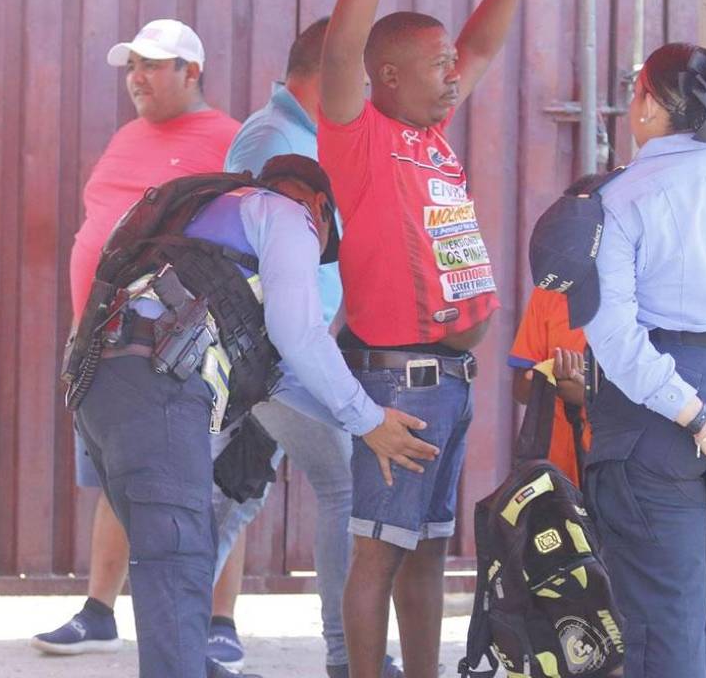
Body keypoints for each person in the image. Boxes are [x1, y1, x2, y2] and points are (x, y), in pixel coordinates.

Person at [66, 154, 436, 678]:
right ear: (321, 208)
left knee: (174, 556)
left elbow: (280, 377)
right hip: (157, 388)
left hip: (102, 386)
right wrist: (370, 421)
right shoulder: (288, 215)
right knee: (178, 560)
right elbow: (300, 336)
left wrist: (366, 422)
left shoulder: (212, 218)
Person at [316, 0, 551, 676]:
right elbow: (342, 49)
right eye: (438, 64)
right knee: (378, 552)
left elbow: (482, 42)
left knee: (426, 553)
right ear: (387, 77)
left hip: (448, 380)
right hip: (398, 384)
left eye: (453, 64)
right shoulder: (361, 139)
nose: (456, 73)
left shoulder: (429, 133)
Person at [537, 42, 706, 678]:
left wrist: (698, 418)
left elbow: (614, 337)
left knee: (664, 615)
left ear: (646, 103)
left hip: (658, 419)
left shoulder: (616, 198)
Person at [33, 18, 247, 665]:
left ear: (191, 72)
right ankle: (100, 612)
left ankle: (218, 621)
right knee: (117, 478)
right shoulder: (128, 137)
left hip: (179, 355)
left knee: (204, 486)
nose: (137, 78)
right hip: (102, 344)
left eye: (152, 65)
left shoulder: (230, 139)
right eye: (132, 67)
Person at [217, 18, 400, 678]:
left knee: (231, 497)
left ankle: (183, 642)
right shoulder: (273, 139)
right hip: (274, 354)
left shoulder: (308, 134)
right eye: (360, 76)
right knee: (345, 481)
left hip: (289, 351)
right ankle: (349, 656)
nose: (366, 93)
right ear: (330, 70)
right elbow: (243, 259)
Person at [508, 285, 590, 487]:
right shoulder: (551, 288)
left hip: (623, 469)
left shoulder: (651, 295)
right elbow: (521, 389)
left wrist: (586, 392)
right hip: (557, 474)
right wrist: (553, 375)